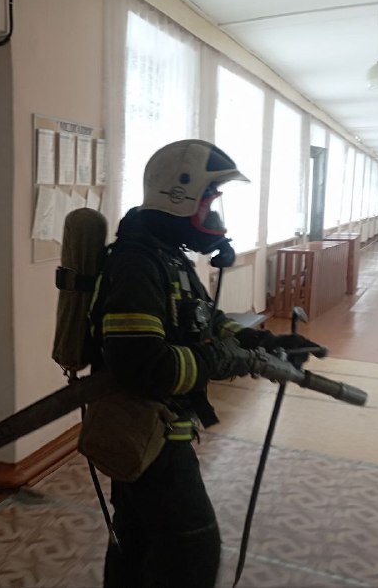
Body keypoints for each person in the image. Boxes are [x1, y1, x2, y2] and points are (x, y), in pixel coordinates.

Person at [92, 140, 319, 588]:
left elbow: (205, 321)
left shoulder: (167, 255)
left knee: (136, 541)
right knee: (192, 551)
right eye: (209, 203)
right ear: (179, 196)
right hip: (146, 435)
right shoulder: (137, 263)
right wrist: (221, 359)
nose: (213, 216)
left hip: (160, 432)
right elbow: (142, 366)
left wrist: (263, 342)